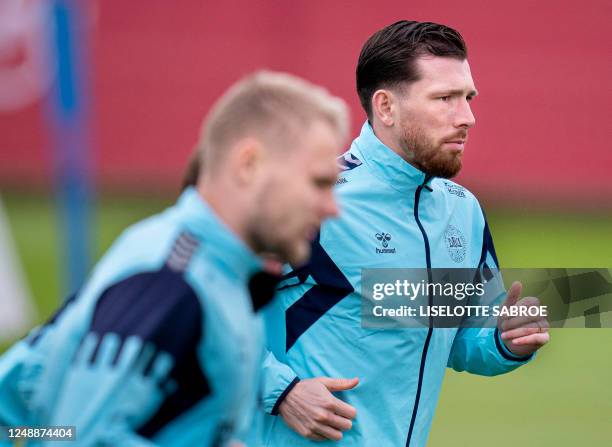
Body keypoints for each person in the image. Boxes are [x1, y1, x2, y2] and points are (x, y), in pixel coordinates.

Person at [0, 70, 349, 446]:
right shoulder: (173, 279)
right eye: (318, 183)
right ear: (248, 164)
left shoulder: (197, 261)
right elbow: (76, 439)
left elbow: (31, 391)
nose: (332, 208)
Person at [257, 21, 550, 446]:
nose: (467, 117)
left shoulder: (462, 211)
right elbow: (201, 314)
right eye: (444, 99)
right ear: (386, 107)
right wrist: (282, 392)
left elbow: (462, 336)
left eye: (467, 98)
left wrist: (506, 341)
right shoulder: (311, 200)